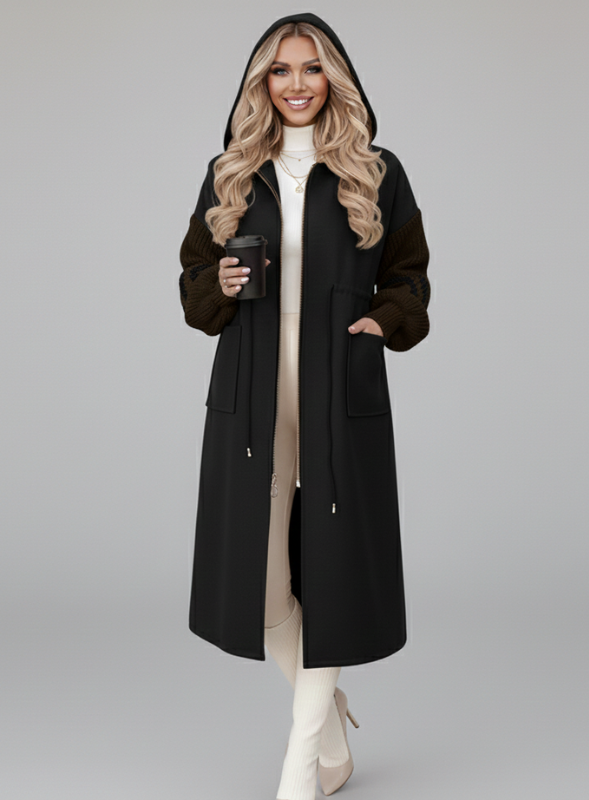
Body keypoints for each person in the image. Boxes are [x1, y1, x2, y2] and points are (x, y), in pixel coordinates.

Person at [179, 12, 431, 800]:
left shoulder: (375, 171)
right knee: (260, 585)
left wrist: (382, 321)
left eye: (312, 68)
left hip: (337, 393)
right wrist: (218, 284)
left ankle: (301, 769)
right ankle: (329, 721)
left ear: (335, 79)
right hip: (252, 395)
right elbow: (193, 285)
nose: (297, 84)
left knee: (332, 575)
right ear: (262, 81)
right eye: (281, 70)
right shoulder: (232, 171)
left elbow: (410, 278)